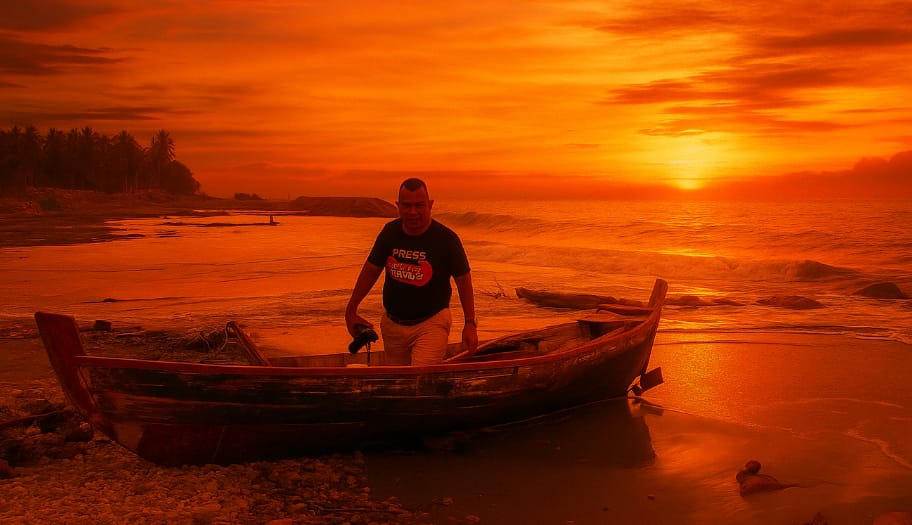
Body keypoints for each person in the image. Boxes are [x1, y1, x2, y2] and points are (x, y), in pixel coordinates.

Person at [345, 178, 477, 365]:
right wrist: (351, 311)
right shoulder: (390, 232)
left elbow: (463, 281)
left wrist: (470, 324)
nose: (413, 212)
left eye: (419, 205)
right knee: (398, 382)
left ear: (430, 205)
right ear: (398, 206)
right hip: (392, 325)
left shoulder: (446, 239)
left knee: (421, 377)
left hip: (432, 323)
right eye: (407, 205)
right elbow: (370, 270)